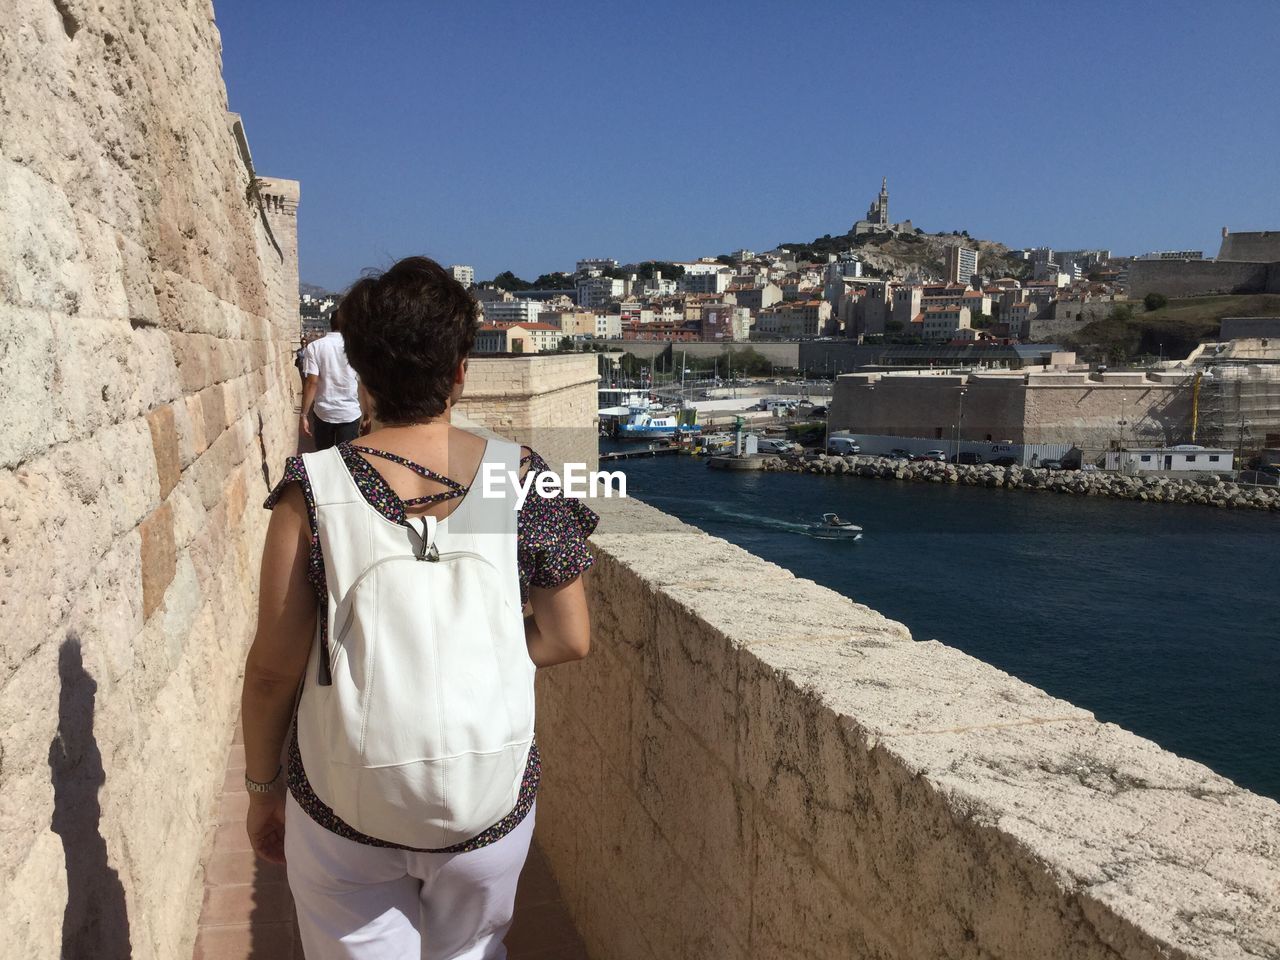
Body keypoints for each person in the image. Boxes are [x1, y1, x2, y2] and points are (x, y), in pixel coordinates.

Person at [241, 256, 596, 959]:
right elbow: (569, 637)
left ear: (362, 375)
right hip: (487, 806)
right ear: (461, 371)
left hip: (344, 804)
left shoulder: (308, 491)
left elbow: (273, 672)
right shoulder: (522, 476)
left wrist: (261, 789)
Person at [300, 309, 366, 450]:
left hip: (324, 412)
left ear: (331, 324)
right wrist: (367, 415)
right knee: (346, 462)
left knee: (324, 458)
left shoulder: (314, 347)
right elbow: (364, 384)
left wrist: (304, 415)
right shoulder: (356, 347)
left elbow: (312, 383)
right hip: (349, 412)